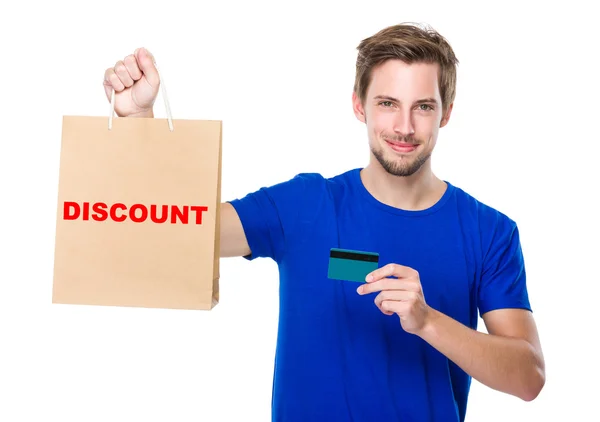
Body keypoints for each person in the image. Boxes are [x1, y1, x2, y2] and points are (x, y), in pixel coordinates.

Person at [103, 22, 545, 422]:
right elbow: (175, 232)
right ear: (359, 105)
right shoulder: (305, 205)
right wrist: (137, 122)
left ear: (446, 113)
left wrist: (428, 320)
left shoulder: (490, 232)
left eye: (423, 107)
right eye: (388, 103)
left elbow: (528, 378)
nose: (404, 126)